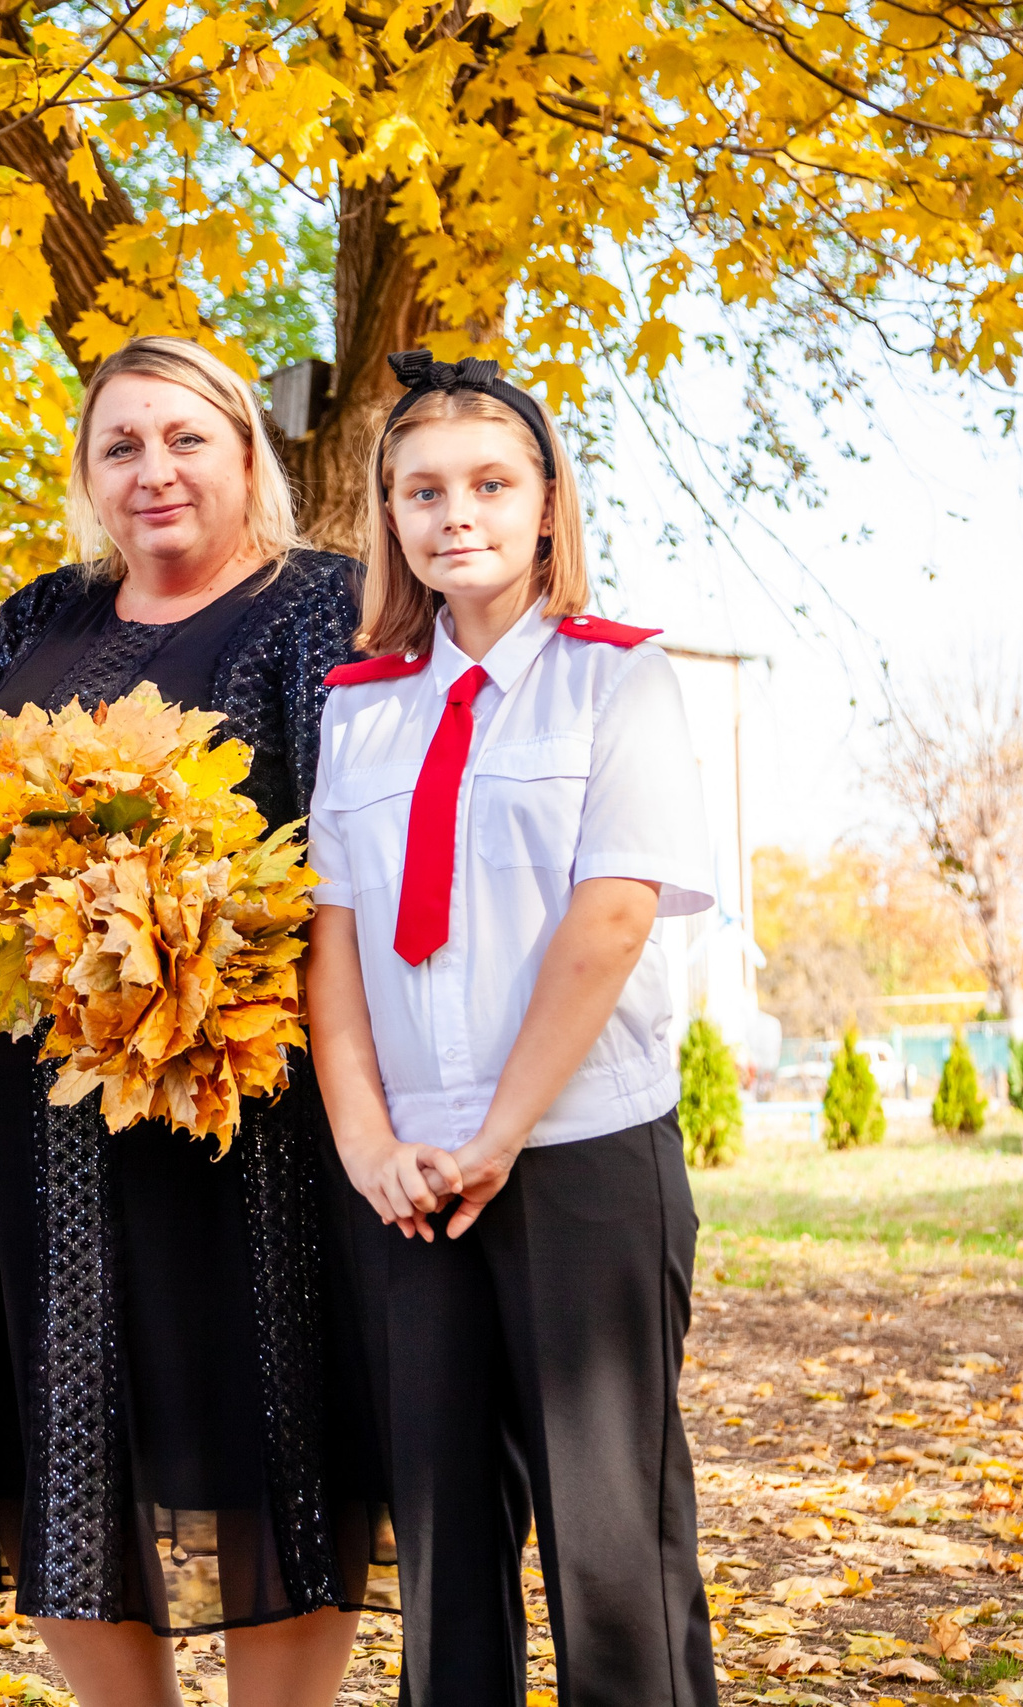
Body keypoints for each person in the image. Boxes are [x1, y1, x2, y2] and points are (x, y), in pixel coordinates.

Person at [0, 337, 380, 1705]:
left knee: (267, 1422)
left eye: (186, 438)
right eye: (122, 445)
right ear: (88, 474)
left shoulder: (315, 605)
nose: (154, 469)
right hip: (40, 1123)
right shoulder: (41, 614)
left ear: (246, 453)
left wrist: (180, 897)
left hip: (240, 1106)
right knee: (68, 1436)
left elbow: (358, 837)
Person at [305, 352, 720, 1707]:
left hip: (578, 1155)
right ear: (390, 516)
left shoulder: (621, 679)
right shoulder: (359, 705)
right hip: (408, 1179)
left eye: (490, 482)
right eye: (420, 490)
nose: (455, 513)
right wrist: (369, 1140)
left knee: (612, 1549)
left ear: (549, 504)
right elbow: (337, 936)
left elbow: (609, 918)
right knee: (441, 1546)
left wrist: (500, 1131)